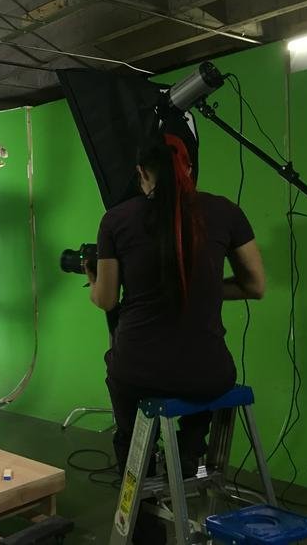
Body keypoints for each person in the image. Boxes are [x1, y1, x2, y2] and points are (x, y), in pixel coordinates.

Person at [85, 132, 265, 545]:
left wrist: (93, 279)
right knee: (201, 381)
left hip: (139, 372)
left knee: (126, 416)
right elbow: (255, 286)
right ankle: (189, 449)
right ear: (189, 169)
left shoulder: (117, 219)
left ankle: (145, 522)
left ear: (142, 173)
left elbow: (106, 299)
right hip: (209, 373)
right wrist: (202, 286)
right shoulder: (225, 211)